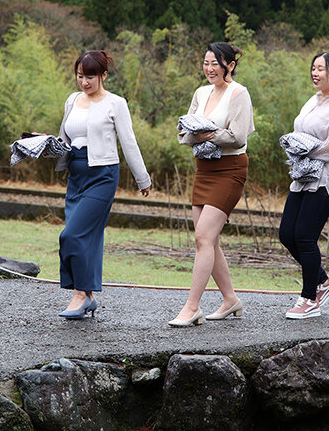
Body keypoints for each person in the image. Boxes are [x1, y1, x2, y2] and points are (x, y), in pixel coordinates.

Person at [56, 50, 151, 319]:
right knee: (88, 237)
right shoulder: (72, 100)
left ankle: (79, 294)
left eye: (90, 77)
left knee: (71, 235)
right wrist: (42, 143)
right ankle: (87, 296)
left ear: (103, 75)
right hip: (76, 177)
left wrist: (142, 178)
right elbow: (65, 139)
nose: (84, 82)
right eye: (80, 76)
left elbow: (128, 142)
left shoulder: (116, 103)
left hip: (102, 176)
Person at [170, 42, 255, 327]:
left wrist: (206, 134)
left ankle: (192, 307)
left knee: (202, 238)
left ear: (230, 65)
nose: (209, 69)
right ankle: (230, 300)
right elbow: (184, 133)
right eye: (206, 63)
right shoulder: (200, 92)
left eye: (215, 63)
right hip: (203, 169)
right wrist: (201, 135)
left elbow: (238, 137)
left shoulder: (239, 93)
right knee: (209, 240)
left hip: (230, 169)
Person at [278, 52, 329, 319]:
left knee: (304, 236)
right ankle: (323, 282)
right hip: (304, 176)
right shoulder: (312, 101)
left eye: (321, 69)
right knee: (287, 234)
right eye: (313, 68)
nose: (315, 73)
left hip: (327, 179)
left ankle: (310, 299)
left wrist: (305, 151)